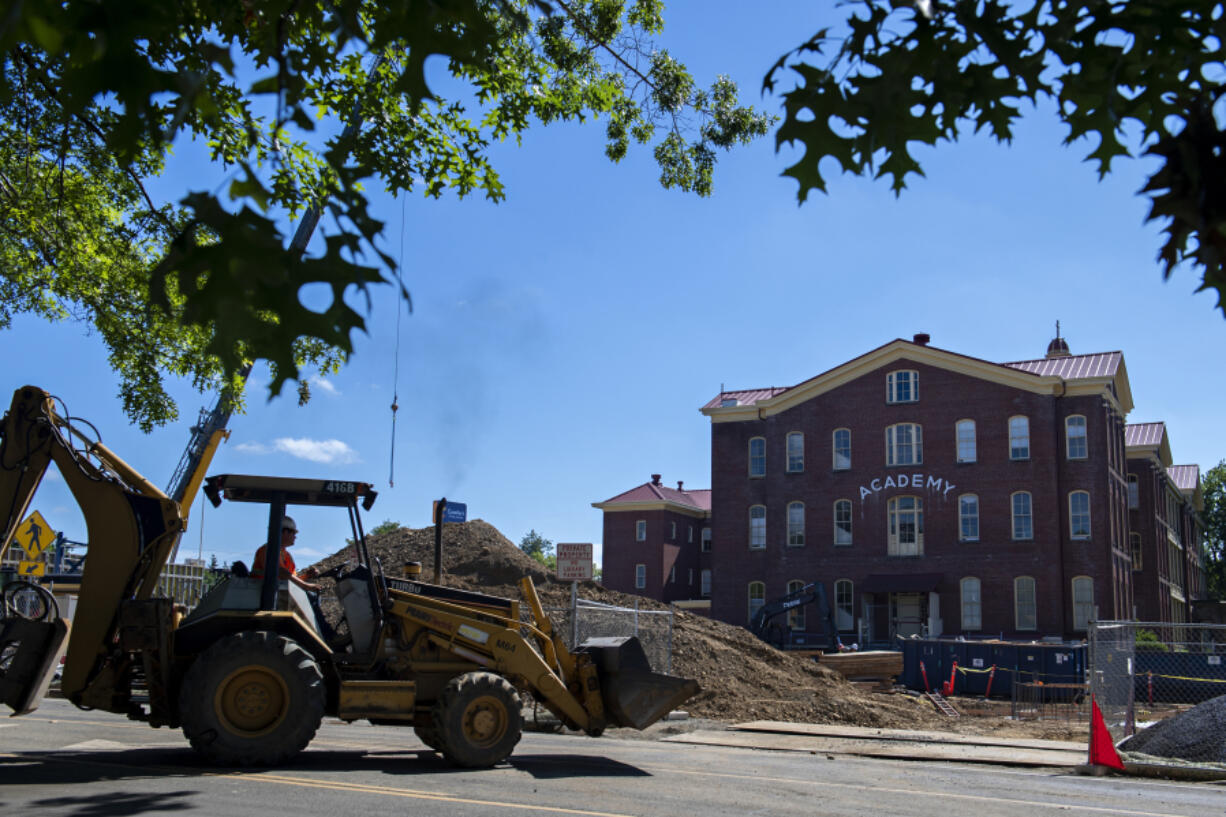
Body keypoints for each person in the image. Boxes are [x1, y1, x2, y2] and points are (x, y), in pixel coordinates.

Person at [251, 516, 320, 591]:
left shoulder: (287, 555)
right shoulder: (268, 551)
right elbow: (279, 571)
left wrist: (306, 576)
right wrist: (305, 586)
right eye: (293, 533)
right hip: (262, 593)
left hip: (279, 592)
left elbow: (290, 580)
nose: (295, 537)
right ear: (285, 532)